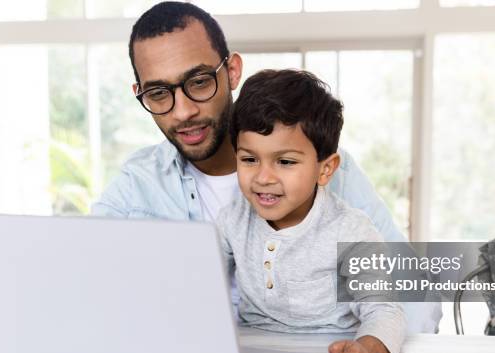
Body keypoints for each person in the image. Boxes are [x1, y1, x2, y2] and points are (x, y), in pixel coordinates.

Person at [90, 1, 441, 333]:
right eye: (158, 94)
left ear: (231, 72)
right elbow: (81, 283)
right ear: (140, 93)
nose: (182, 112)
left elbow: (415, 297)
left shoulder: (327, 168)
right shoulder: (137, 185)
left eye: (198, 82)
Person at [217, 68, 405, 353]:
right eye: (249, 159)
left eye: (285, 162)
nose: (263, 177)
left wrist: (367, 352)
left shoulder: (350, 228)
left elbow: (384, 309)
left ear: (325, 168)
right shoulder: (232, 219)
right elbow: (198, 285)